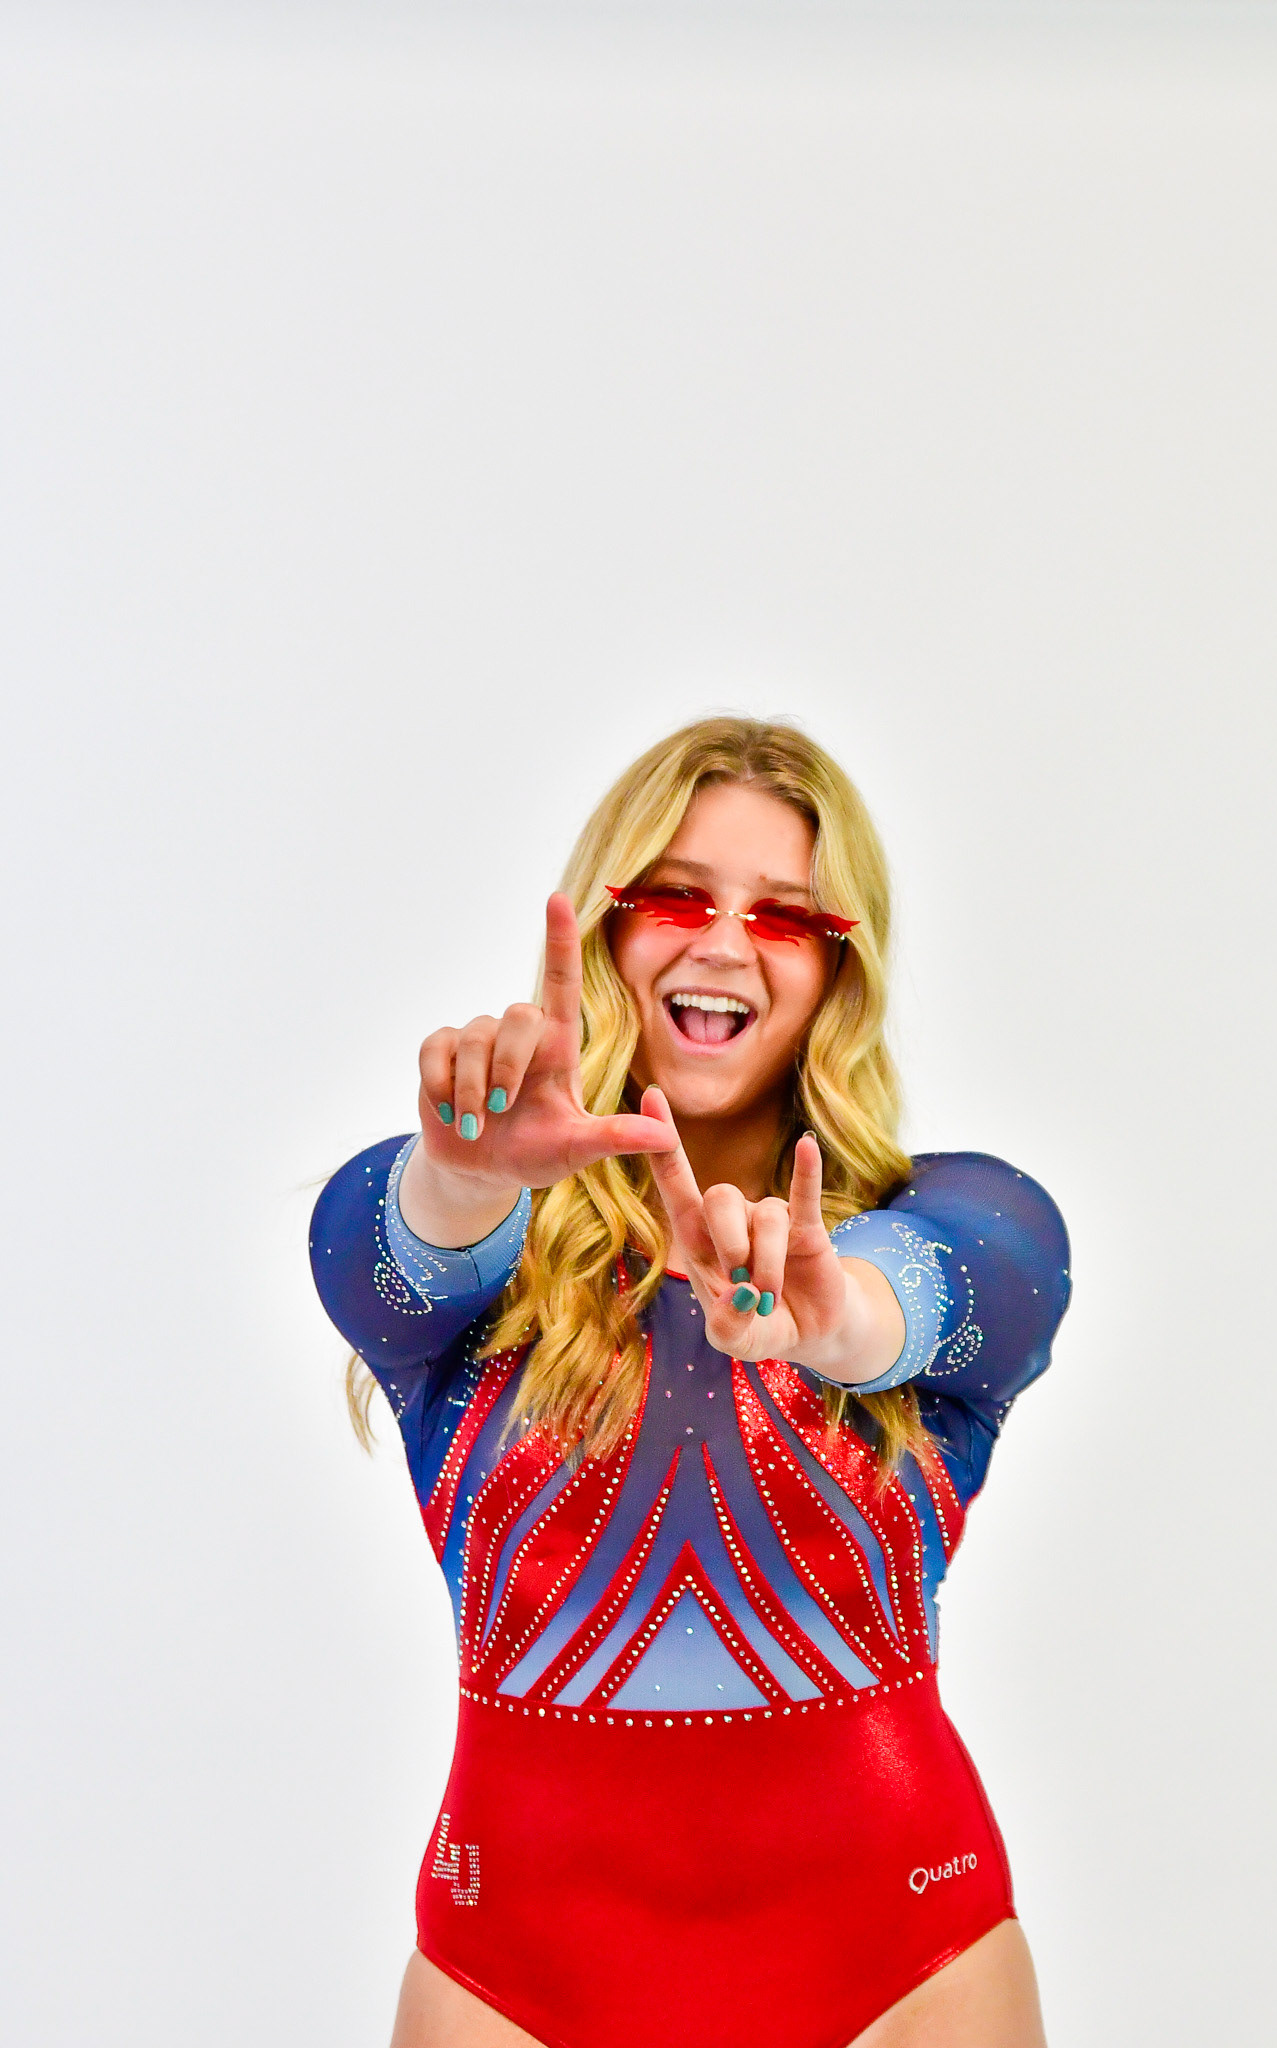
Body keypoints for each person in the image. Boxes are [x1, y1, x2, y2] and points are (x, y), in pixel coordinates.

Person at [310, 716, 1071, 2048]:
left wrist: (833, 1321)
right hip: (511, 1987)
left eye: (784, 916)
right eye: (675, 896)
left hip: (907, 1972)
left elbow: (953, 1290)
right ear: (607, 930)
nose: (722, 943)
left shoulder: (961, 1224)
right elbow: (381, 1256)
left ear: (840, 971)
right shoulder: (482, 1273)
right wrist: (463, 1180)